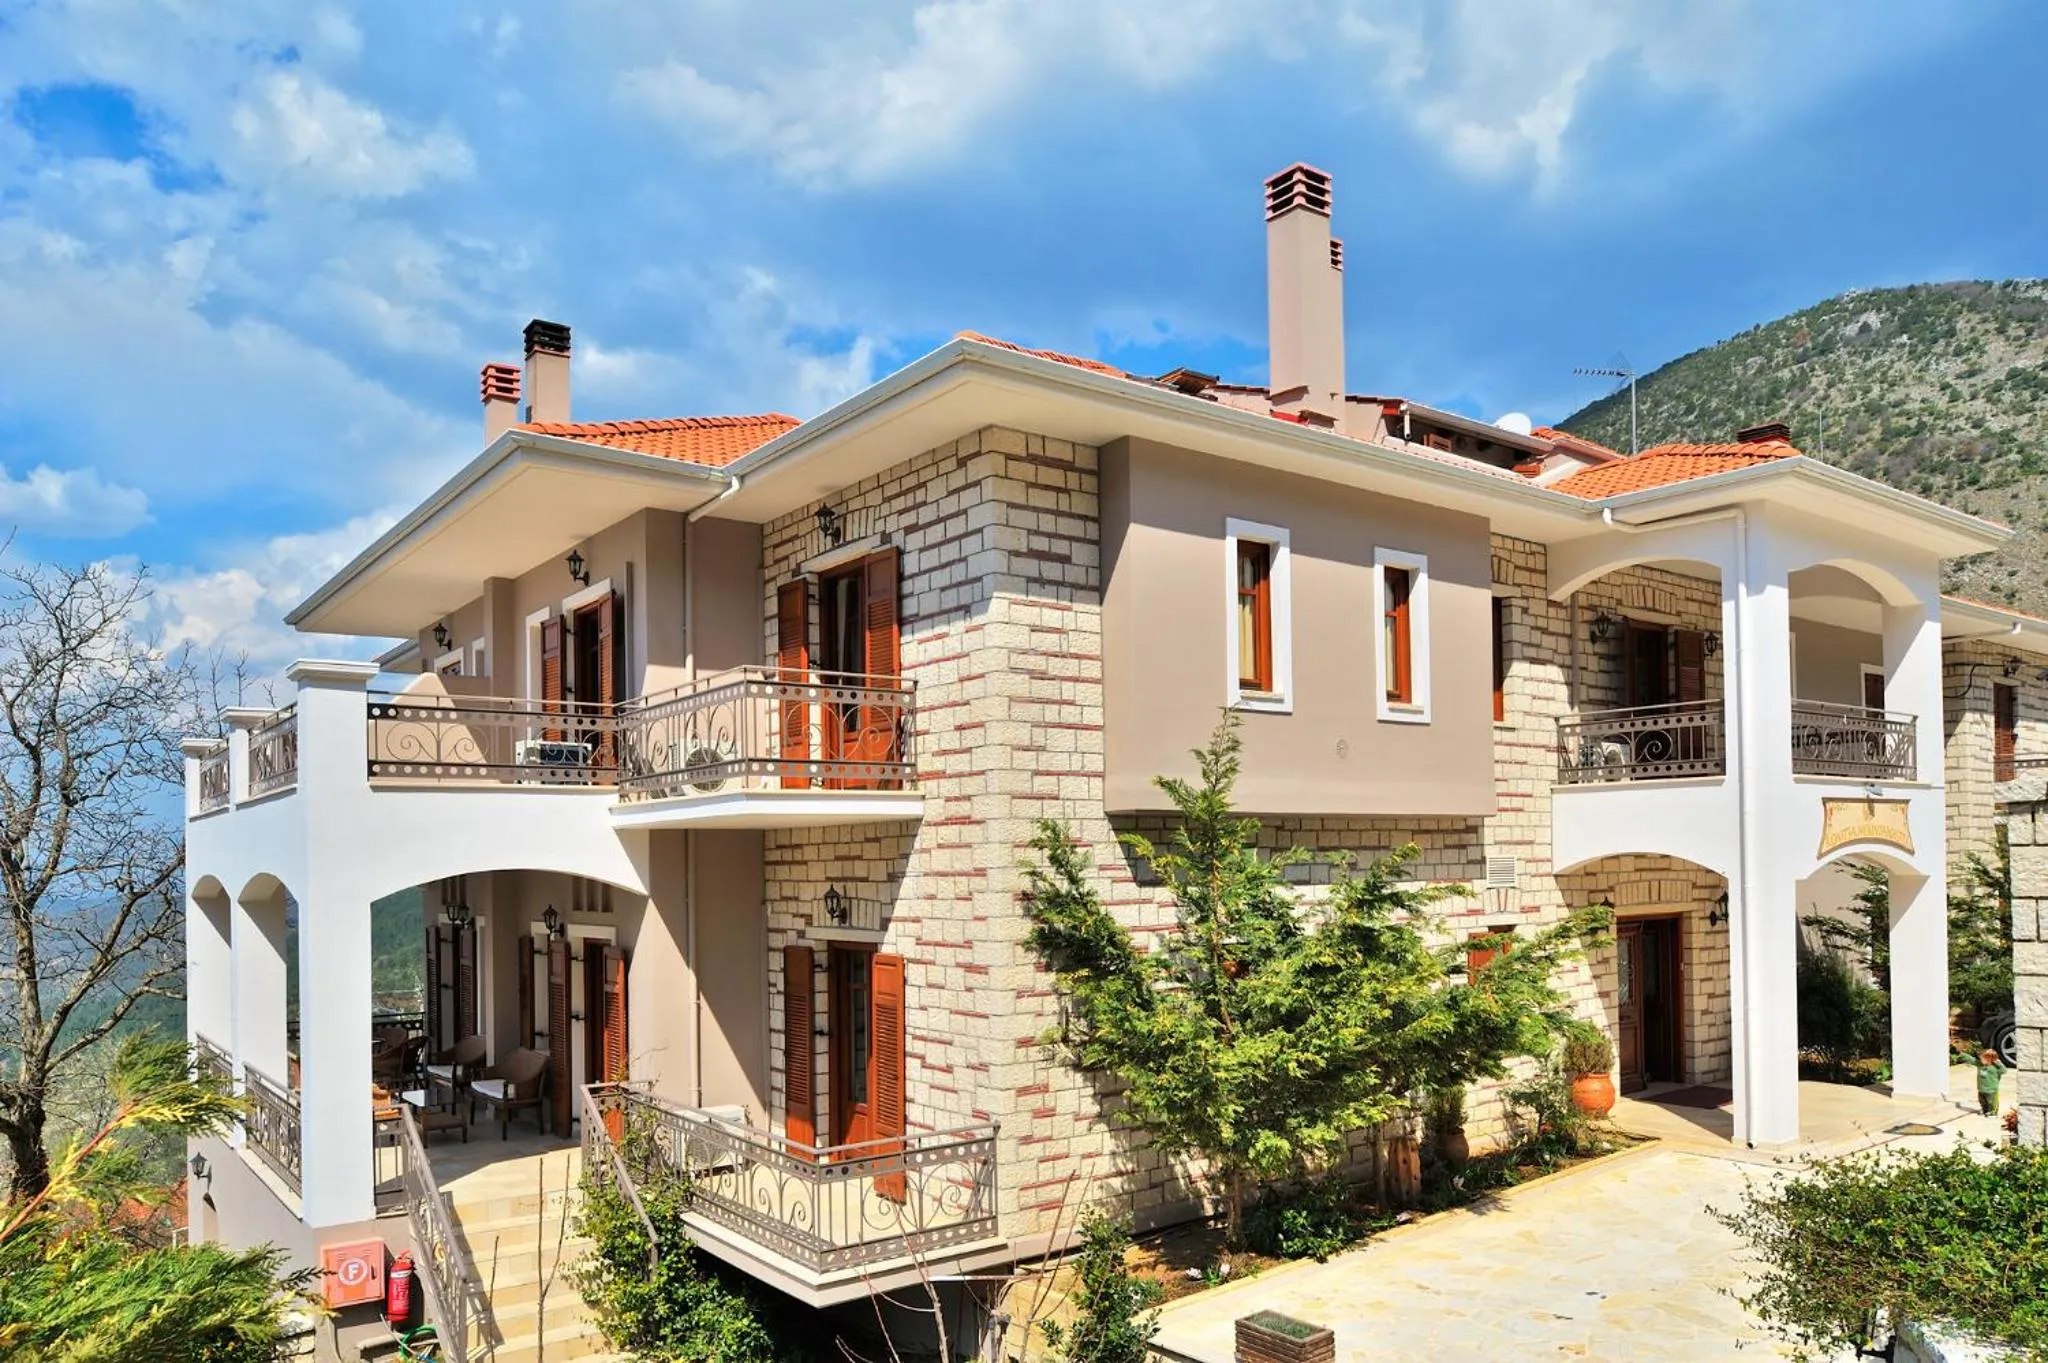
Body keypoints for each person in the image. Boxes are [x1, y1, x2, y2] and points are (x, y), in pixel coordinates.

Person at [1977, 1048, 2004, 1117]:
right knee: (1982, 1101)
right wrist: (1961, 1054)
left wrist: (1999, 1063)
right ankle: (1985, 1110)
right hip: (1981, 1089)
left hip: (1992, 1090)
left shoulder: (1995, 1068)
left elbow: (2004, 1071)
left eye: (1982, 1058)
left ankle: (1993, 1113)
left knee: (1992, 1103)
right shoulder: (1980, 1065)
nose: (1980, 1060)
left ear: (1989, 1059)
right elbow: (1972, 1060)